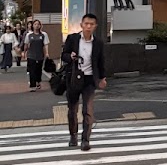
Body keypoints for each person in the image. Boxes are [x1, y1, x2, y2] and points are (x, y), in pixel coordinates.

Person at [61, 13, 107, 150]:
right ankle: (73, 135)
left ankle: (85, 140)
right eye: (86, 23)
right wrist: (70, 56)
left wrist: (102, 78)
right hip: (73, 78)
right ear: (81, 25)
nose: (88, 26)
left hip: (89, 79)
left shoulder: (98, 43)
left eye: (91, 24)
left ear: (95, 26)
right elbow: (63, 55)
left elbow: (101, 62)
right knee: (72, 109)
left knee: (88, 110)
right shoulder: (72, 39)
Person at [25, 20, 50, 92]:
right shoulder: (29, 35)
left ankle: (38, 81)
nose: (36, 26)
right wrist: (24, 52)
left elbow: (45, 44)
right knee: (32, 70)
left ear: (40, 26)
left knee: (38, 70)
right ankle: (32, 85)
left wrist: (47, 53)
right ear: (32, 26)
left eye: (38, 24)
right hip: (31, 55)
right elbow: (26, 44)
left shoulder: (43, 34)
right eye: (35, 24)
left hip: (40, 55)